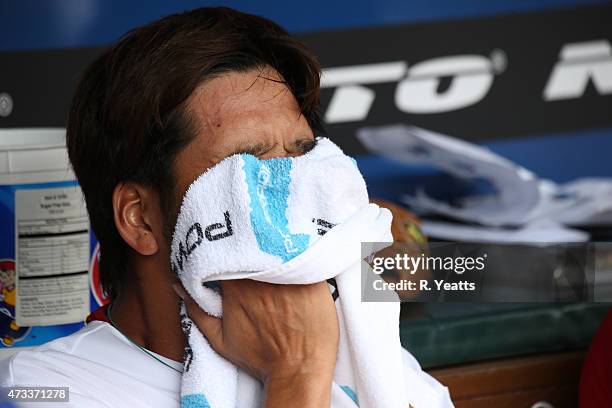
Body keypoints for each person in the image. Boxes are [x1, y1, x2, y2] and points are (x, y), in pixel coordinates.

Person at [0, 7, 448, 407]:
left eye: (301, 154)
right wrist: (296, 375)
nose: (294, 189)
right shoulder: (46, 387)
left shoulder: (367, 355)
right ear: (139, 218)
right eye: (248, 165)